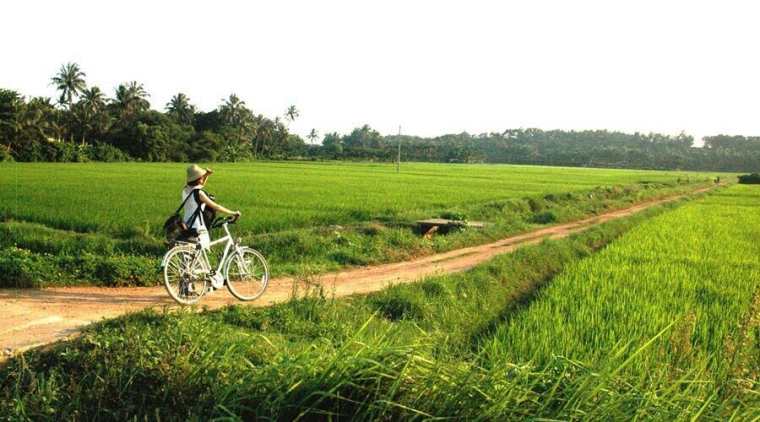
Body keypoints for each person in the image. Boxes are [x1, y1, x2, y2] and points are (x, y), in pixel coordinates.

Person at [182, 164, 241, 248]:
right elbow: (216, 206)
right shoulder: (199, 193)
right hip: (198, 226)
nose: (202, 177)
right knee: (204, 249)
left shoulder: (185, 190)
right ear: (198, 179)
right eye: (201, 176)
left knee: (193, 251)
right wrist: (233, 212)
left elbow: (199, 187)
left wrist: (206, 175)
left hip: (187, 223)